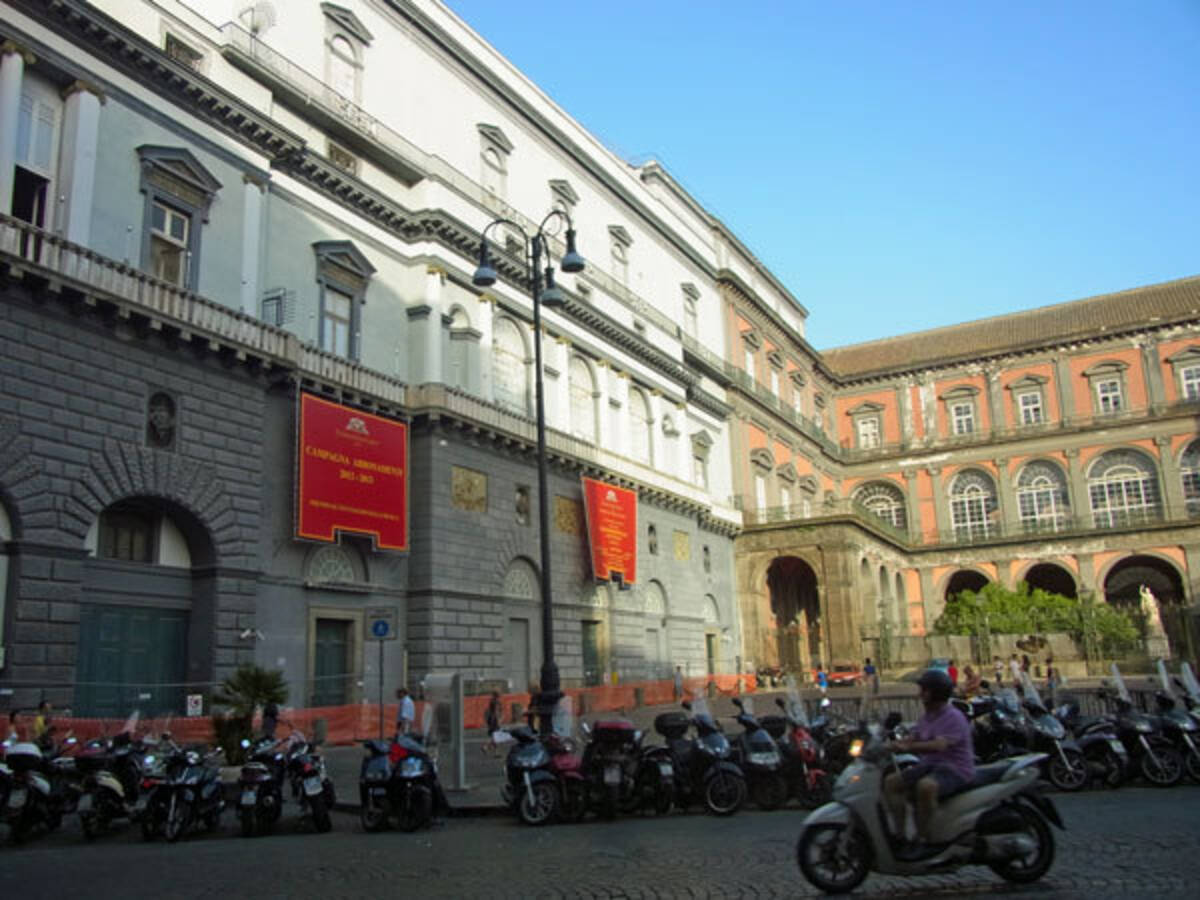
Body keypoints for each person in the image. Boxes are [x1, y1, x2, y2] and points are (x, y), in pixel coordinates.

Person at [884, 668, 976, 859]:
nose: (920, 694)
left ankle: (924, 838)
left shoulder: (953, 717)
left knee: (926, 787)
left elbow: (939, 745)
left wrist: (909, 747)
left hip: (954, 769)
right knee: (892, 782)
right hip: (931, 765)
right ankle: (900, 836)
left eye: (923, 690)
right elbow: (913, 737)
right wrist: (886, 745)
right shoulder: (927, 716)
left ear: (933, 693)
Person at [483, 690, 502, 757]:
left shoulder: (492, 701)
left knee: (494, 737)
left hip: (491, 720)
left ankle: (494, 751)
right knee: (496, 737)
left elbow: (488, 711)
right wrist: (498, 721)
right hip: (494, 721)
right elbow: (496, 712)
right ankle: (486, 747)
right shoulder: (496, 702)